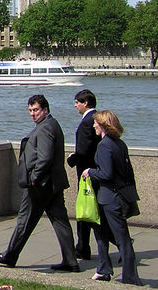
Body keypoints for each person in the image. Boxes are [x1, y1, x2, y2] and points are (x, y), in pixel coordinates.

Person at [0, 95, 79, 272]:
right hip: (53, 184)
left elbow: (44, 158)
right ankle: (71, 260)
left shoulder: (45, 128)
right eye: (30, 110)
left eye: (36, 110)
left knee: (25, 219)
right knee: (60, 222)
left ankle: (10, 255)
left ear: (45, 109)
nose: (32, 114)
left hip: (41, 185)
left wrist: (34, 178)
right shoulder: (52, 125)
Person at [82, 110, 142, 285]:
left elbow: (106, 174)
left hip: (110, 199)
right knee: (102, 233)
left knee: (122, 239)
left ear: (103, 125)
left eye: (96, 123)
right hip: (118, 196)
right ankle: (103, 269)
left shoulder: (104, 145)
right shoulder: (120, 144)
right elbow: (128, 173)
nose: (93, 126)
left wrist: (90, 172)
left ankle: (130, 277)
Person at [67, 89, 100, 260]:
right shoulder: (96, 119)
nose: (75, 105)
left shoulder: (87, 122)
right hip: (95, 172)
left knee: (86, 211)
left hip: (87, 174)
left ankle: (83, 247)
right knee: (88, 212)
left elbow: (85, 151)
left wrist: (72, 159)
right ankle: (82, 246)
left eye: (77, 102)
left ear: (85, 103)